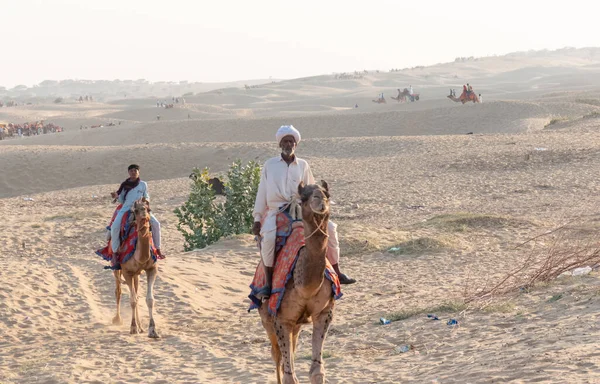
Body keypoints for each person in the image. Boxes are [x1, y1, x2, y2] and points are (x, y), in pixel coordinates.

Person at [252, 125, 356, 299]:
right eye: (285, 141)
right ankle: (269, 284)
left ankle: (337, 271)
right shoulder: (269, 165)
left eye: (291, 141)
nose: (288, 144)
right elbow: (262, 192)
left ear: (296, 144)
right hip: (276, 211)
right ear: (280, 144)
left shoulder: (303, 165)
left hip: (300, 209)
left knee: (330, 228)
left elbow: (312, 188)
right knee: (268, 238)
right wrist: (257, 218)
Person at [110, 164, 163, 266]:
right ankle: (115, 253)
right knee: (114, 227)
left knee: (156, 224)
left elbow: (146, 195)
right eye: (131, 171)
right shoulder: (124, 185)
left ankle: (158, 249)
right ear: (128, 172)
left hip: (141, 208)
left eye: (135, 171)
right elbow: (122, 199)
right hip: (127, 208)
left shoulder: (143, 184)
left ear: (138, 172)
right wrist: (116, 196)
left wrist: (146, 200)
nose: (133, 172)